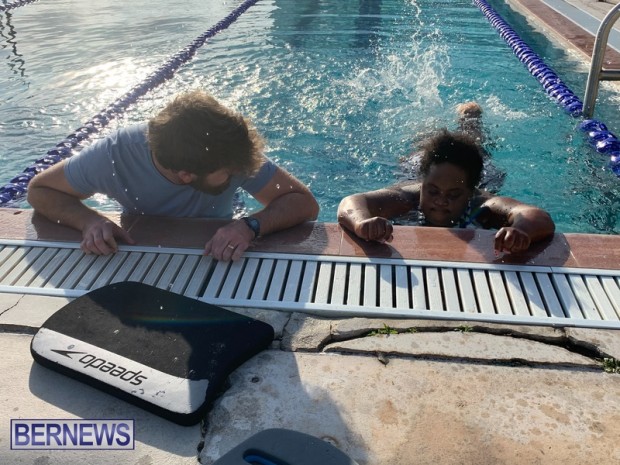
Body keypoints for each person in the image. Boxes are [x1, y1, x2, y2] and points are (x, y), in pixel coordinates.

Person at [27, 90, 319, 261]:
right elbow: (39, 190)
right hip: (135, 250)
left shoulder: (229, 152)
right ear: (185, 176)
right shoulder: (114, 155)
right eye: (229, 173)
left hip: (217, 238)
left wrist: (250, 226)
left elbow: (302, 201)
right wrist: (88, 220)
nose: (241, 172)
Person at [337, 104, 555, 254]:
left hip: (477, 171)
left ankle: (470, 119)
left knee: (475, 147)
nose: (441, 201)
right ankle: (432, 126)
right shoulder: (407, 198)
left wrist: (521, 231)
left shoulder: (483, 205)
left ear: (470, 193)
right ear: (422, 185)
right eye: (432, 191)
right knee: (427, 145)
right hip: (420, 166)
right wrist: (361, 223)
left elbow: (537, 216)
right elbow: (351, 202)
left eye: (453, 195)